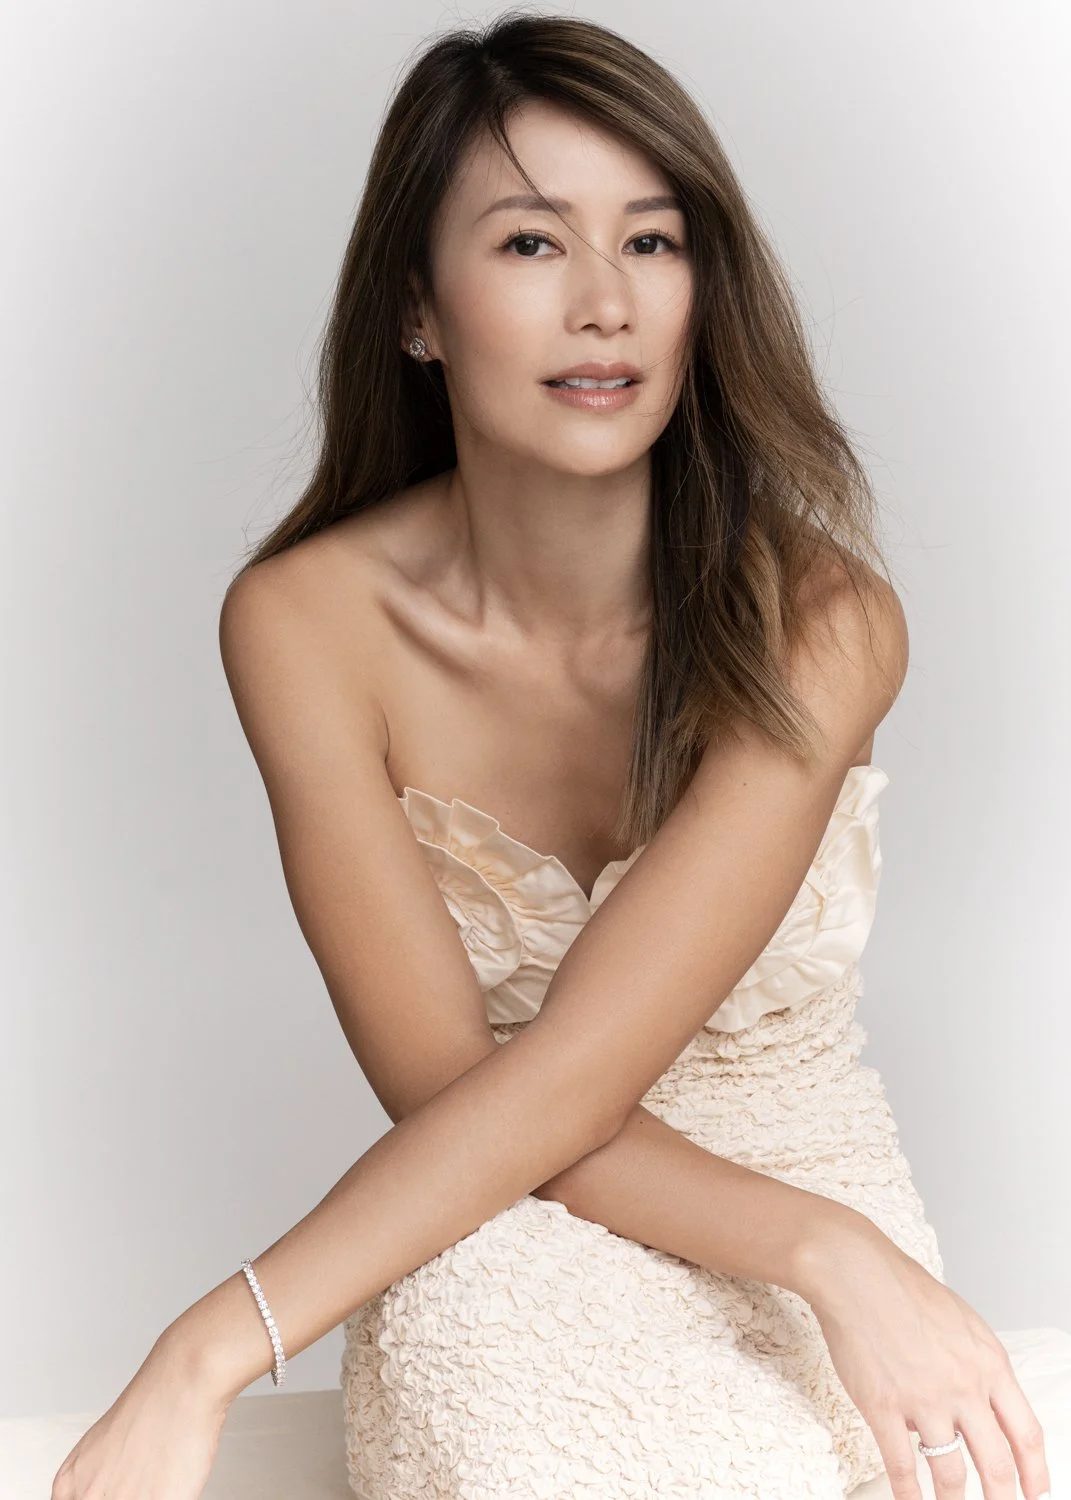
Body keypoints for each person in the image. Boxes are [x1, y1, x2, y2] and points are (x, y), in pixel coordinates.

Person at [51, 13, 1052, 1500]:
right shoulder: (307, 624)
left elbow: (578, 1069)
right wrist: (198, 1360)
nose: (606, 305)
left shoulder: (824, 621)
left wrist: (841, 1251)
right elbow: (469, 1092)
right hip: (479, 1200)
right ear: (417, 310)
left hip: (792, 1155)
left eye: (652, 243)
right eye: (530, 246)